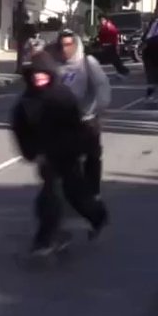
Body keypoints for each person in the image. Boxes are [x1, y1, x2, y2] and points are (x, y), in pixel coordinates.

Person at [10, 51, 110, 255]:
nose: (38, 77)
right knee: (50, 194)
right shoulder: (26, 102)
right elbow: (20, 131)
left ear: (50, 73)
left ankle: (97, 216)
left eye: (43, 73)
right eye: (35, 74)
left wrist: (84, 149)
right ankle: (45, 239)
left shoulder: (62, 95)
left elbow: (78, 126)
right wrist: (31, 152)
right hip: (45, 156)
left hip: (67, 152)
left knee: (75, 193)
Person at [49, 29, 111, 200]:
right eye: (61, 45)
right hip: (62, 121)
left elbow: (102, 87)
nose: (65, 49)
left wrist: (99, 108)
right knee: (65, 159)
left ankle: (93, 192)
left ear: (76, 45)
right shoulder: (54, 65)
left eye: (69, 45)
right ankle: (69, 190)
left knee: (92, 157)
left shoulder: (87, 63)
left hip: (86, 119)